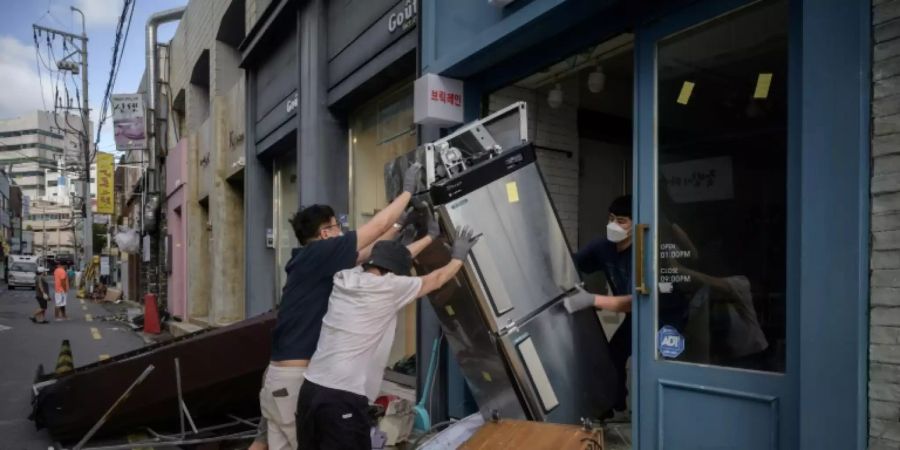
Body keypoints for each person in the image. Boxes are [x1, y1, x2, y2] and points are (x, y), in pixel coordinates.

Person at [258, 163, 423, 450]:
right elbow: (376, 228)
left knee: (266, 445)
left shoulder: (312, 260)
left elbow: (369, 252)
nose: (342, 230)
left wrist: (401, 225)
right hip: (295, 380)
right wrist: (407, 193)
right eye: (337, 226)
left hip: (277, 379)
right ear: (325, 233)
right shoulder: (321, 253)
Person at [297, 225, 480, 450]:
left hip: (310, 389)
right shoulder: (389, 287)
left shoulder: (346, 277)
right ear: (393, 273)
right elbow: (436, 279)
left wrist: (418, 241)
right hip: (340, 396)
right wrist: (458, 257)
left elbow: (387, 261)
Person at [563, 195, 634, 414]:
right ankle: (614, 406)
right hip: (636, 318)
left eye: (622, 221)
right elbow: (570, 263)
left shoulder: (643, 253)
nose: (614, 225)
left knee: (656, 365)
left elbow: (636, 303)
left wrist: (592, 299)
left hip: (661, 317)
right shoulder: (603, 247)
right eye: (612, 218)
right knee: (613, 356)